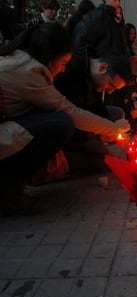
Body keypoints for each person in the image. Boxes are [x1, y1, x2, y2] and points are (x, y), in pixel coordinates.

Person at [0, 23, 130, 215]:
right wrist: (113, 130)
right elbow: (71, 112)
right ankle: (9, 189)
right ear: (50, 58)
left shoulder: (22, 60)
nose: (62, 70)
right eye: (61, 64)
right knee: (61, 123)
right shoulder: (30, 72)